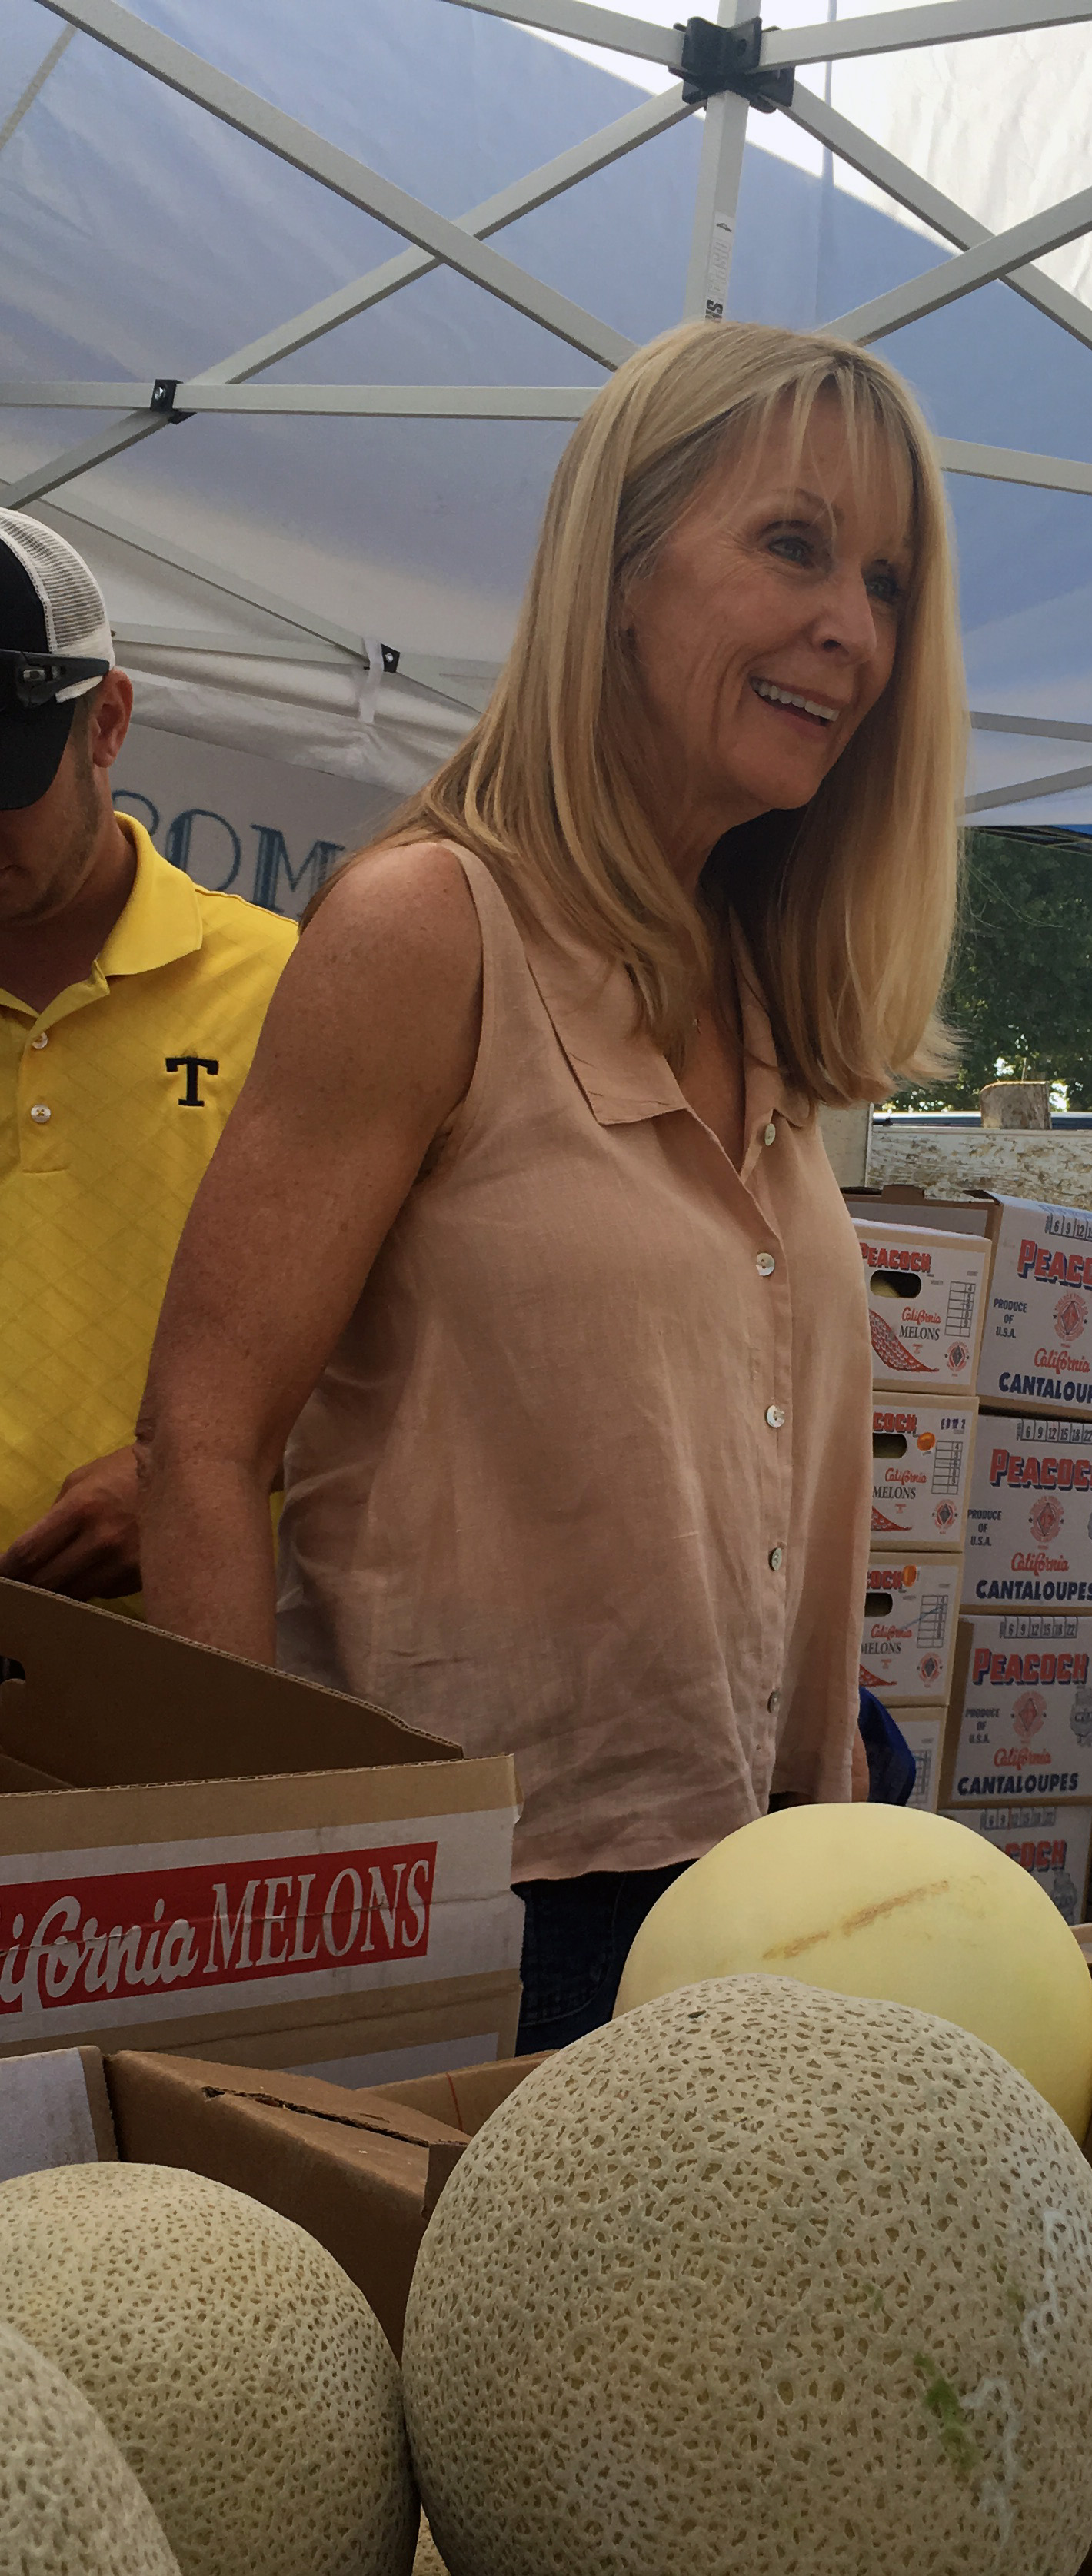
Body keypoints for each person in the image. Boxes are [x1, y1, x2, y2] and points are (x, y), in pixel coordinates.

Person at [138, 323, 966, 2046]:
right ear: (620, 571)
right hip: (488, 1917)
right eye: (794, 545)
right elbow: (203, 1443)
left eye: (884, 581)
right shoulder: (431, 928)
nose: (854, 628)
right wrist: (260, 1929)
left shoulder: (762, 983)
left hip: (775, 1869)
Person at [0, 513, 295, 1608]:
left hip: (182, 1680)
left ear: (106, 723)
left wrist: (204, 1464)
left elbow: (415, 1347)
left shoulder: (286, 994)